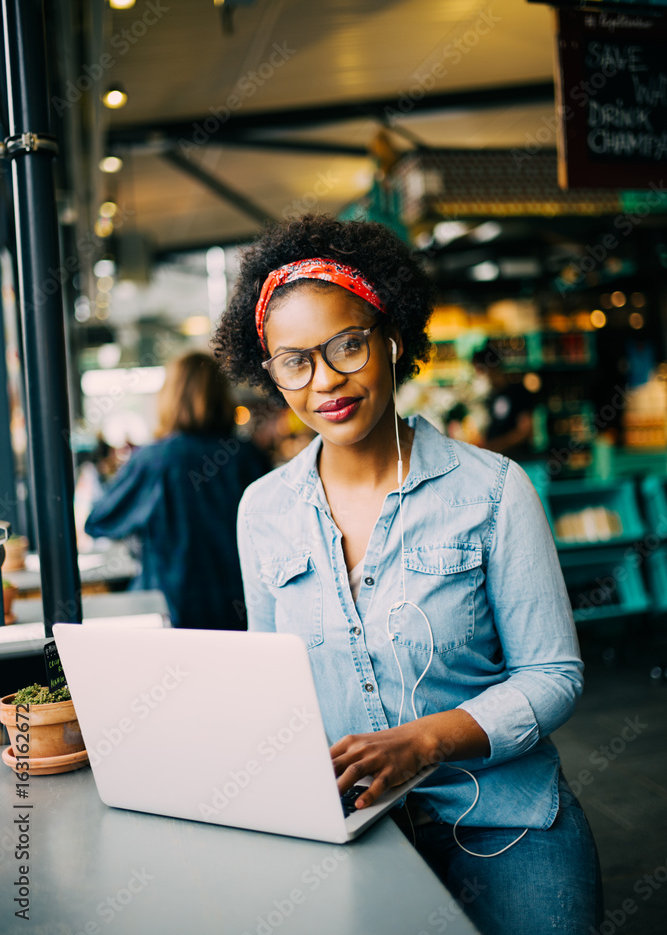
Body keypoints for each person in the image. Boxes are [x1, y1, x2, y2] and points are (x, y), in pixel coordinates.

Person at [213, 215, 603, 935]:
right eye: (293, 360)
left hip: (500, 820)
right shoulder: (262, 511)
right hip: (354, 827)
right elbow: (273, 689)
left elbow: (552, 675)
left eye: (347, 346)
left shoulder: (492, 491)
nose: (323, 379)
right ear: (269, 371)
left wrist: (424, 741)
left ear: (391, 338)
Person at [85, 352, 269, 629]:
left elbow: (101, 521)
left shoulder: (155, 460)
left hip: (171, 614)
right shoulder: (249, 457)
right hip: (243, 615)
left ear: (169, 397)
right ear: (223, 395)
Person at [472, 343, 536, 461]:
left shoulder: (518, 392)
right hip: (497, 460)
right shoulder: (491, 396)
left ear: (490, 367)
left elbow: (525, 431)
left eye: (479, 370)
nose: (478, 375)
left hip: (519, 461)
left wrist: (493, 446)